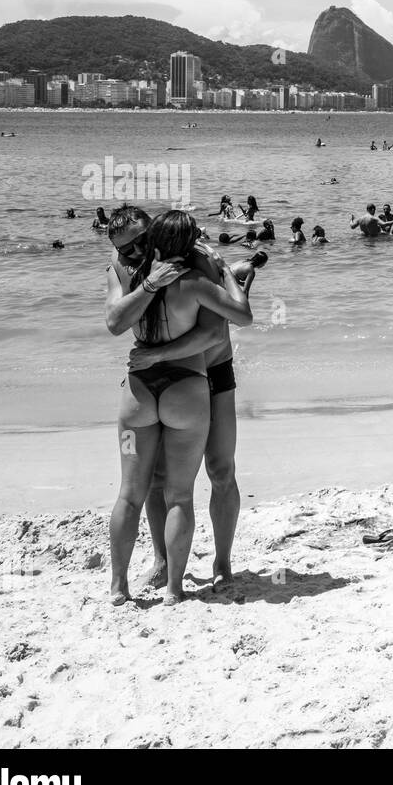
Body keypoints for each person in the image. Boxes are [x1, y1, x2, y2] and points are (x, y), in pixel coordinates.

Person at [104, 208, 254, 605]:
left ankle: (222, 563)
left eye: (138, 243)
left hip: (211, 371)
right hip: (171, 380)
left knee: (221, 469)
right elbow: (116, 320)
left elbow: (216, 330)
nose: (131, 253)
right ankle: (162, 561)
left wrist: (157, 355)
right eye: (123, 248)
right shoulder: (126, 266)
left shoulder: (198, 259)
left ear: (152, 232)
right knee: (156, 480)